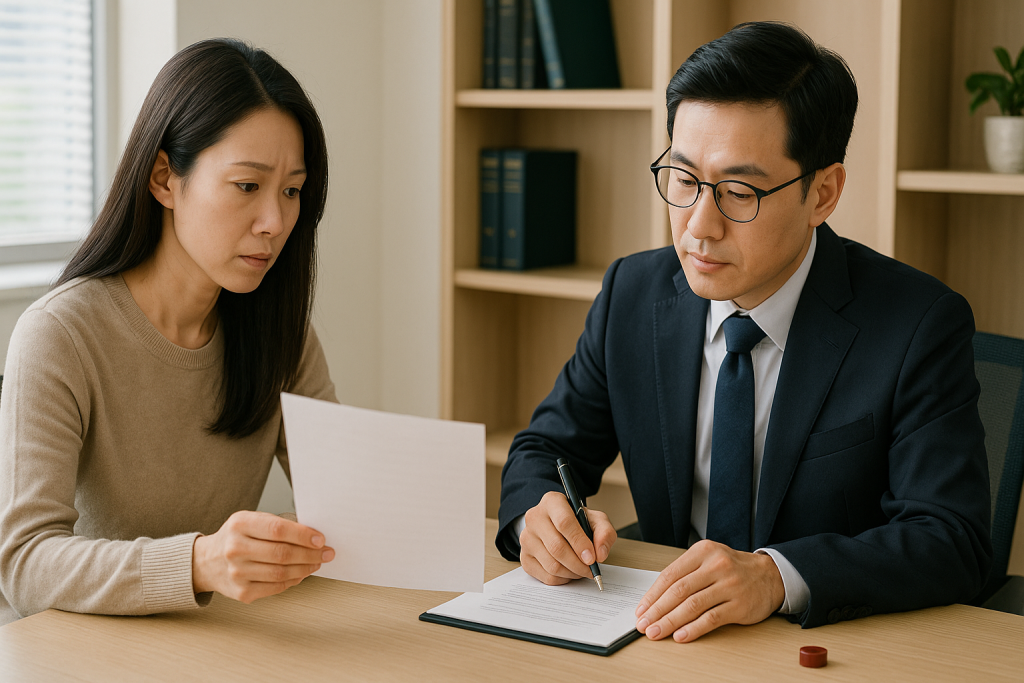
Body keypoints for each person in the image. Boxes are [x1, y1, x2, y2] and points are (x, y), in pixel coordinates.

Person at [497, 21, 992, 642]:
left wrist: (776, 576)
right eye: (682, 180)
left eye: (738, 192)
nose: (699, 226)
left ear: (823, 193)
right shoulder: (633, 293)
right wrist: (534, 518)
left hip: (825, 647)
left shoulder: (917, 324)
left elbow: (951, 537)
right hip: (659, 639)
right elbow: (545, 450)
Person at [0, 39, 338, 625]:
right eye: (247, 186)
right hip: (83, 655)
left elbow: (347, 501)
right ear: (164, 179)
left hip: (215, 643)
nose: (275, 222)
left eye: (291, 191)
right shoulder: (60, 334)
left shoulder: (281, 334)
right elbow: (24, 563)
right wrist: (198, 564)